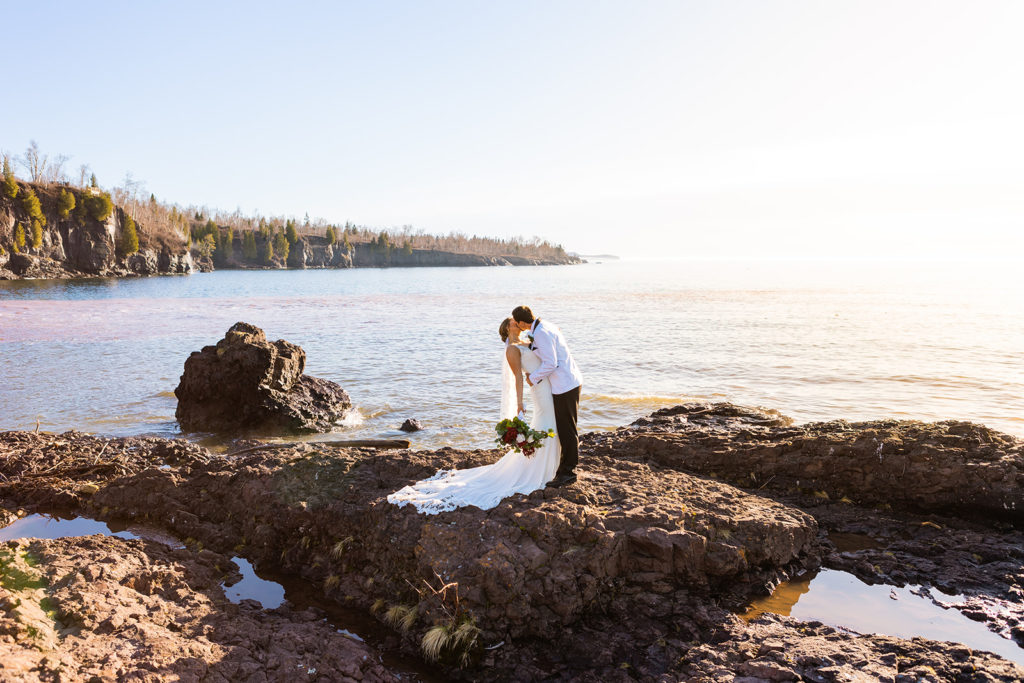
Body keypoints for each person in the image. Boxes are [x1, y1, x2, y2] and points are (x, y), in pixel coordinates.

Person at [387, 317, 563, 514]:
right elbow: (518, 378)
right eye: (514, 322)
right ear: (507, 328)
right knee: (547, 422)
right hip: (539, 390)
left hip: (550, 386)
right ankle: (542, 470)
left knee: (552, 423)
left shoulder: (528, 341)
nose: (518, 323)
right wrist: (520, 403)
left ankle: (552, 466)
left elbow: (548, 347)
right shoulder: (512, 349)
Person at [509, 305, 583, 488]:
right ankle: (564, 467)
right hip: (565, 382)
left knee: (567, 429)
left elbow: (551, 363)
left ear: (521, 322)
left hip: (565, 384)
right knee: (565, 428)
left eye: (516, 323)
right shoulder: (543, 326)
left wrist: (532, 378)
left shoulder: (540, 332)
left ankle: (569, 472)